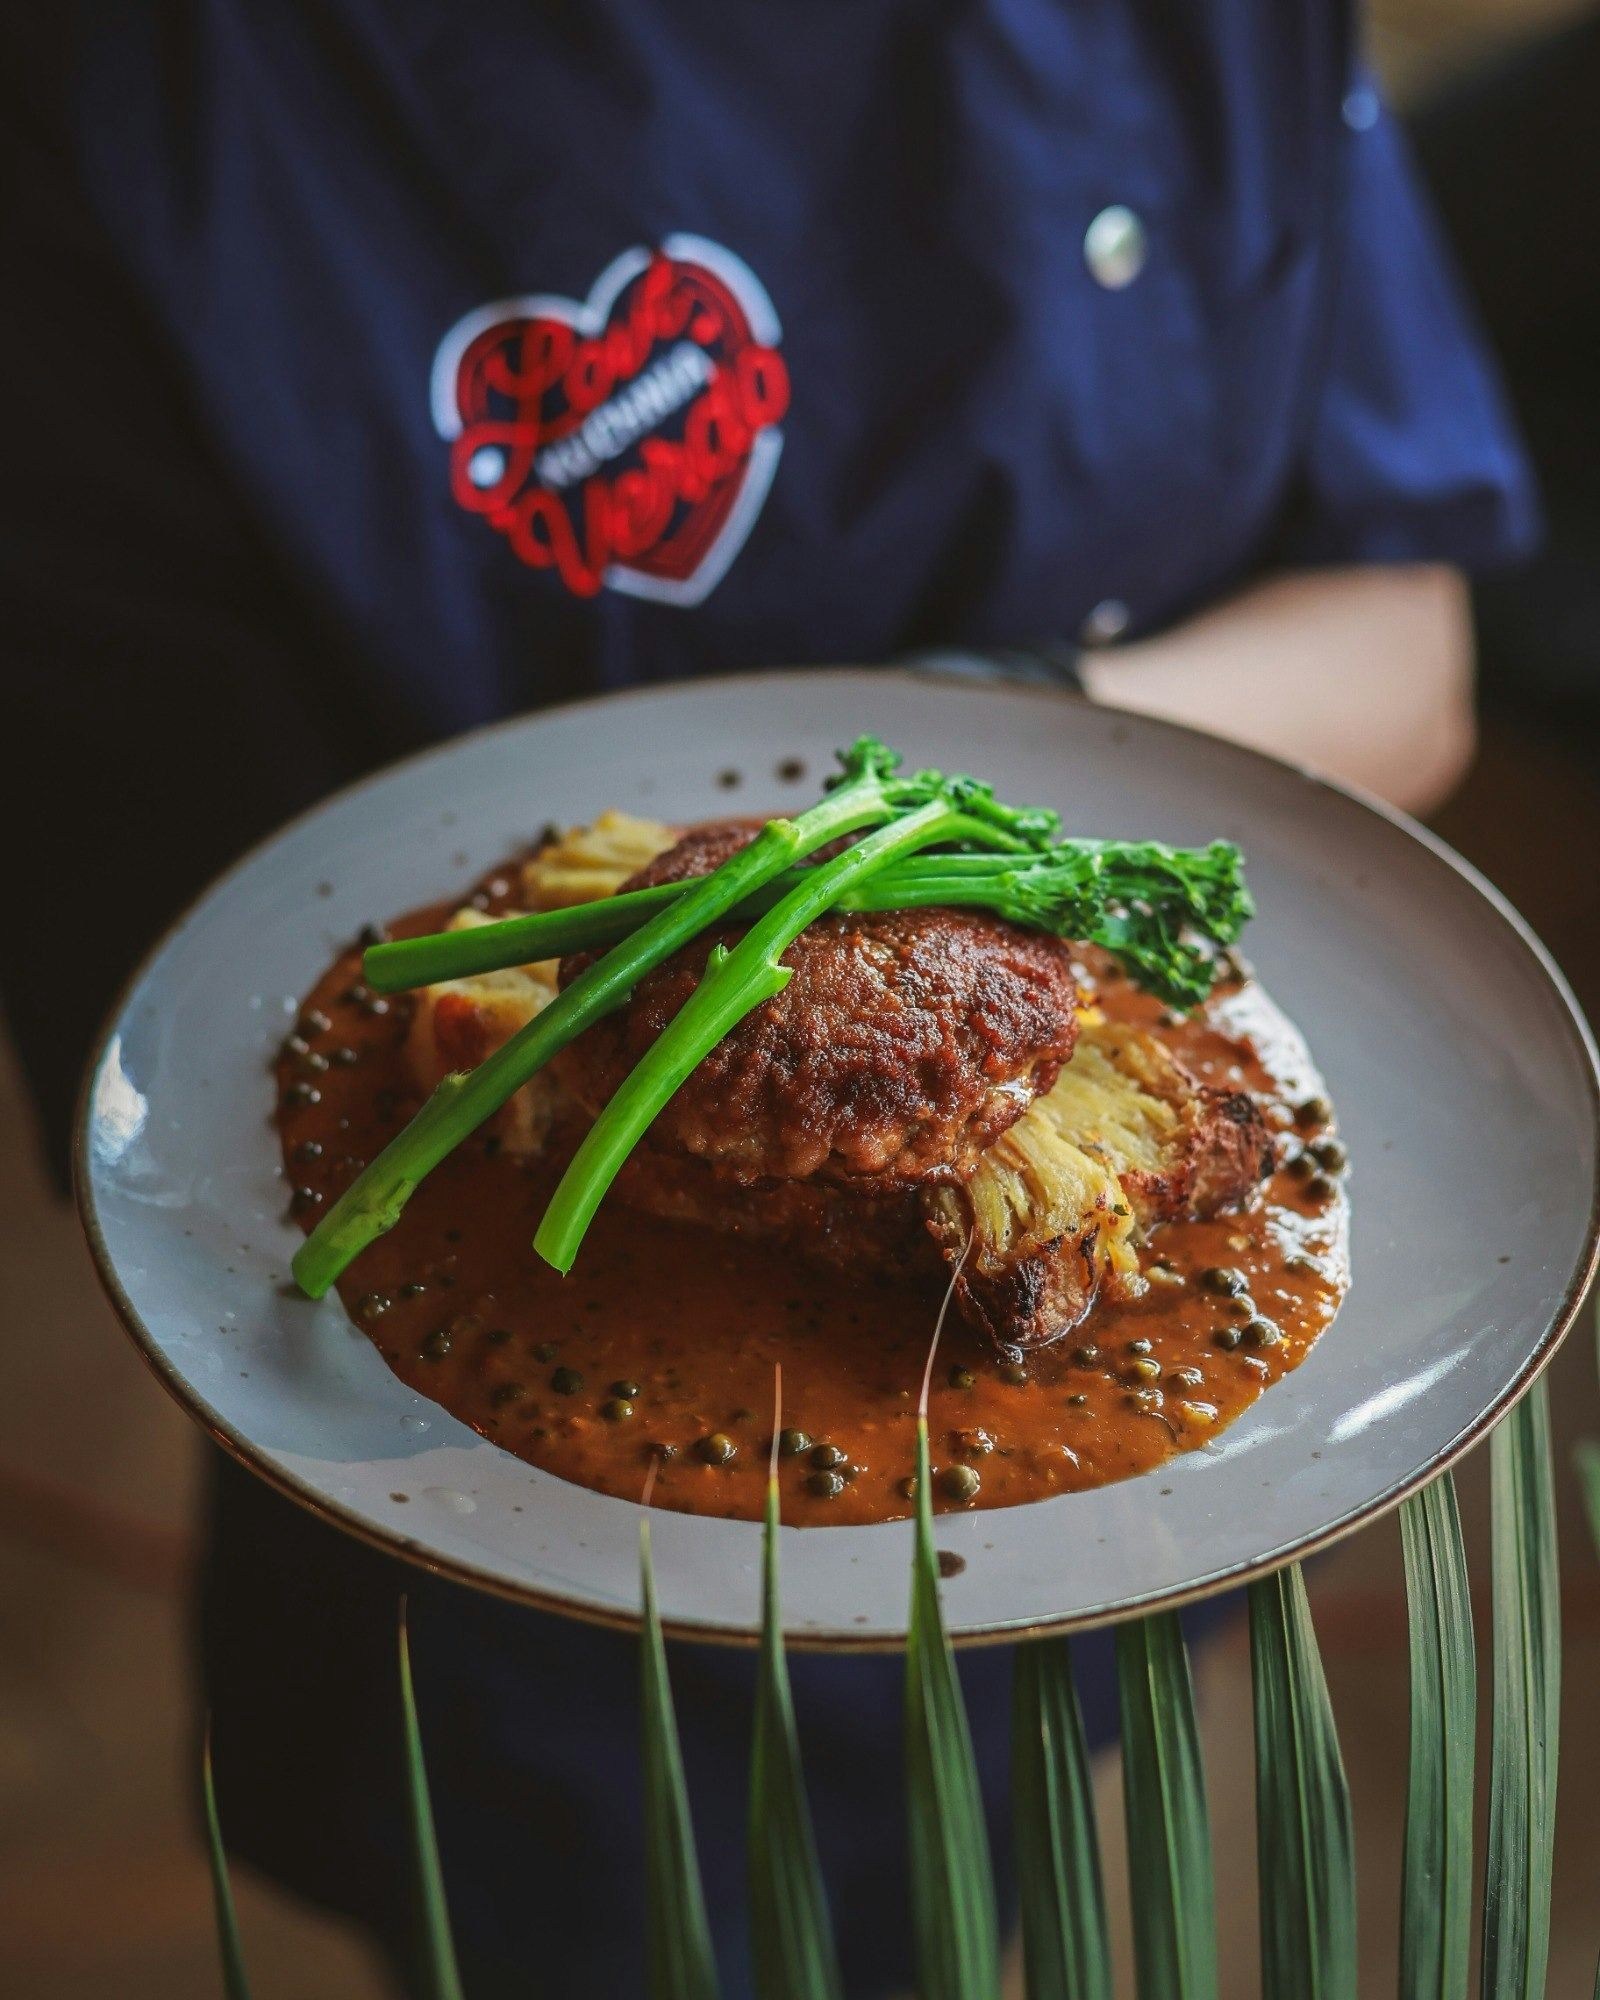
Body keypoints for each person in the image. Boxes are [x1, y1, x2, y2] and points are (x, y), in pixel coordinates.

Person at [1, 4, 1535, 1993]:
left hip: (1131, 1485)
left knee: (1013, 1895)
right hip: (508, 1576)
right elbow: (184, 1007)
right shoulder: (131, 107)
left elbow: (1403, 650)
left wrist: (991, 750)